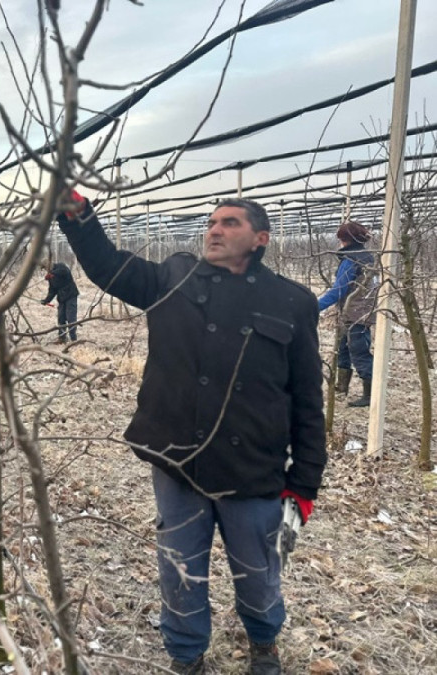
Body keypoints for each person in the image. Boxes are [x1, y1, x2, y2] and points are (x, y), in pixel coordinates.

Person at [56, 193, 327, 675]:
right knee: (180, 571)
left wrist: (303, 485)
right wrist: (78, 216)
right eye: (211, 222)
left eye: (230, 223)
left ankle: (264, 642)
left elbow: (308, 400)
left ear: (260, 239)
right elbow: (108, 266)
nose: (214, 230)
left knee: (259, 575)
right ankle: (187, 656)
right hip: (180, 464)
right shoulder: (172, 279)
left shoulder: (292, 302)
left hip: (253, 471)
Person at [317, 221, 377, 407]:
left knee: (359, 351)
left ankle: (370, 395)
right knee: (343, 347)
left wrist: (314, 306)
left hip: (356, 313)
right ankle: (341, 387)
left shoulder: (351, 260)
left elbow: (339, 290)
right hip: (363, 310)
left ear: (344, 239)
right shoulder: (368, 257)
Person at [42, 261, 80, 342]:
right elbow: (52, 291)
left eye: (45, 267)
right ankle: (62, 338)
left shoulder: (60, 266)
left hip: (71, 295)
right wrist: (46, 300)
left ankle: (74, 339)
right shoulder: (50, 277)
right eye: (45, 268)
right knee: (61, 318)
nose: (46, 269)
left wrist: (52, 274)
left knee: (71, 318)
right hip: (62, 298)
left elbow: (64, 271)